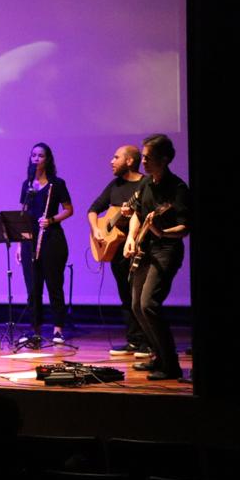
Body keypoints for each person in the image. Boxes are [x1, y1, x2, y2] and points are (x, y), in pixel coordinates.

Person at [124, 134, 190, 381]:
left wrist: (161, 232)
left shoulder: (178, 189)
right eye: (142, 156)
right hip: (145, 249)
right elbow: (137, 215)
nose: (143, 161)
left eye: (148, 158)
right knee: (136, 306)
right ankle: (159, 357)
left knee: (148, 304)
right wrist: (131, 238)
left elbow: (184, 228)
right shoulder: (146, 184)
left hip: (166, 250)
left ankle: (171, 364)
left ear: (164, 159)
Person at [87, 145, 148, 356]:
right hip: (116, 251)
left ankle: (148, 343)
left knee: (140, 297)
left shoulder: (144, 185)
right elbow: (93, 209)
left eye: (116, 157)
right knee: (125, 296)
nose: (111, 161)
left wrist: (132, 213)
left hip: (138, 249)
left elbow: (148, 213)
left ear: (130, 161)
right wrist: (97, 230)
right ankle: (133, 341)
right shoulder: (115, 185)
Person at [15, 143, 74, 345]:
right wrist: (19, 245)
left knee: (54, 286)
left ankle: (58, 329)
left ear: (48, 159)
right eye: (33, 155)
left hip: (52, 240)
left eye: (40, 156)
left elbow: (69, 209)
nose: (36, 159)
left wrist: (52, 220)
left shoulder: (57, 184)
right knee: (33, 288)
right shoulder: (27, 185)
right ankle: (35, 329)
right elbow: (22, 214)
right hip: (30, 241)